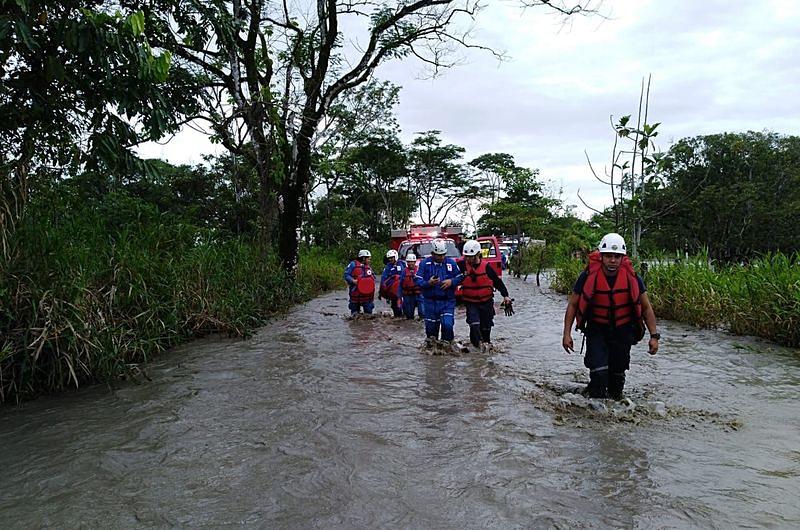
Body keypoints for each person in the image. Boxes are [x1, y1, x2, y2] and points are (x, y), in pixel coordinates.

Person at [562, 233, 660, 399]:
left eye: (617, 256)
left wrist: (654, 336)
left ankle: (614, 417)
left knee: (617, 381)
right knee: (599, 374)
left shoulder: (633, 278)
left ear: (622, 258)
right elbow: (573, 304)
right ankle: (595, 411)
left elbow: (646, 308)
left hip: (622, 331)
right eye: (608, 256)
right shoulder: (587, 276)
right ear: (601, 256)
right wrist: (567, 334)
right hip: (596, 329)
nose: (612, 260)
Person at [459, 240, 513, 351]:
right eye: (467, 256)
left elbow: (497, 282)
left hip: (486, 301)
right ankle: (476, 349)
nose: (468, 259)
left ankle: (485, 349)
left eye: (471, 257)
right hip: (471, 302)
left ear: (478, 254)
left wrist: (505, 296)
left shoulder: (486, 267)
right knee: (474, 325)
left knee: (486, 328)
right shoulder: (461, 266)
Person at [415, 239, 463, 344]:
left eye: (443, 255)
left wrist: (452, 281)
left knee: (447, 325)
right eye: (438, 255)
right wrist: (428, 283)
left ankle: (448, 348)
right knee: (431, 333)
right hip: (430, 302)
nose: (441, 257)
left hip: (447, 301)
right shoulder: (424, 264)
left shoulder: (451, 263)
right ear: (432, 253)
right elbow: (417, 280)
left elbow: (460, 277)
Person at [343, 249, 376, 315]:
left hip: (367, 295)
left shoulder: (368, 267)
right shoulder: (353, 264)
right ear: (363, 258)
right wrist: (353, 280)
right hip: (355, 293)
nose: (369, 261)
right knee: (355, 313)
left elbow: (373, 277)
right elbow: (346, 275)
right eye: (368, 259)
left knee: (369, 313)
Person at [379, 249, 405, 317]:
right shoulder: (388, 267)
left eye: (392, 258)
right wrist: (381, 291)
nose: (390, 259)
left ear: (395, 257)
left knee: (402, 306)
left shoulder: (401, 264)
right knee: (394, 306)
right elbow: (383, 278)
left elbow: (404, 276)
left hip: (401, 290)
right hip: (392, 291)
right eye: (389, 258)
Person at [401, 253, 424, 320]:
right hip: (408, 294)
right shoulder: (404, 271)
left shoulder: (419, 270)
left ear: (415, 262)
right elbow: (401, 283)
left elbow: (424, 282)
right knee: (409, 315)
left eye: (412, 262)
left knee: (422, 313)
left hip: (419, 294)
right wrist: (399, 295)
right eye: (408, 262)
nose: (410, 263)